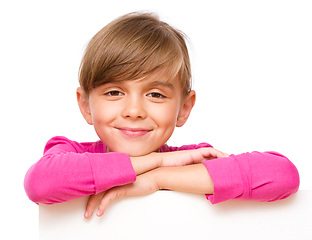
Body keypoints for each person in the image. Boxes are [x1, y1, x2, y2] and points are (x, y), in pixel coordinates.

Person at [24, 12, 300, 219]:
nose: (134, 111)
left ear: (184, 108)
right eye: (114, 92)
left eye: (155, 94)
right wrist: (158, 160)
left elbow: (283, 175)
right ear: (85, 105)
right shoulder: (67, 152)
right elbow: (41, 183)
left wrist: (158, 178)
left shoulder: (191, 162)